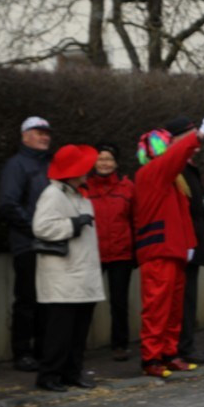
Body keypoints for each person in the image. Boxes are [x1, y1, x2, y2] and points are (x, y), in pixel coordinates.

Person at [133, 108, 204, 378]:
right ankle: (152, 358)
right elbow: (174, 158)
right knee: (158, 307)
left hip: (174, 251)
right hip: (159, 251)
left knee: (172, 309)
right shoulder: (151, 174)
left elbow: (183, 217)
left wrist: (190, 244)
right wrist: (200, 135)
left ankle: (169, 354)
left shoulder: (170, 182)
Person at [32, 145, 104, 391]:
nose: (88, 171)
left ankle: (72, 373)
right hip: (63, 276)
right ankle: (49, 375)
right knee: (59, 332)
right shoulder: (53, 194)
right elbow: (41, 227)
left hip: (79, 274)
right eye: (83, 167)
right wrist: (73, 224)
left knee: (78, 332)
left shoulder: (77, 195)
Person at [0, 116, 53, 372]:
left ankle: (43, 349)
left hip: (49, 243)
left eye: (46, 133)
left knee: (47, 300)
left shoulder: (50, 165)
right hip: (28, 244)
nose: (44, 137)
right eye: (38, 132)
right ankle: (22, 352)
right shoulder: (16, 165)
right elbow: (8, 204)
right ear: (25, 136)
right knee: (27, 299)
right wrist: (36, 228)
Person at [164, 116, 204, 366]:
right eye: (189, 135)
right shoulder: (175, 166)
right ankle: (181, 347)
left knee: (188, 298)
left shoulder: (188, 165)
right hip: (183, 242)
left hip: (192, 239)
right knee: (182, 300)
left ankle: (184, 345)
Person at [85, 142, 135, 362]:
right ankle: (79, 345)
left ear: (116, 163)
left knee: (119, 302)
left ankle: (120, 345)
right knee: (86, 302)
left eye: (109, 159)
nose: (104, 163)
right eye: (100, 159)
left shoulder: (127, 187)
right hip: (92, 254)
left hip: (121, 254)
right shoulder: (85, 187)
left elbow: (135, 219)